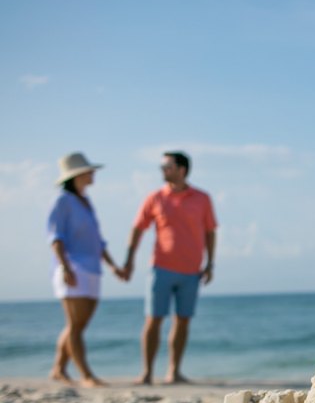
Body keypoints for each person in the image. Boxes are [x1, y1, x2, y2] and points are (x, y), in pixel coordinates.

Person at [122, 151, 217, 385]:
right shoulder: (155, 198)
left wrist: (210, 263)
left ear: (181, 169)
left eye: (167, 166)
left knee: (182, 320)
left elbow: (210, 231)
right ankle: (146, 373)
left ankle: (174, 371)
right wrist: (129, 259)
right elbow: (137, 228)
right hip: (160, 268)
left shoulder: (202, 198)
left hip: (191, 271)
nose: (162, 170)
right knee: (153, 320)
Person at [46, 152, 127, 387]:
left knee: (78, 325)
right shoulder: (63, 201)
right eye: (89, 171)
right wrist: (65, 267)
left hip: (92, 269)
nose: (92, 174)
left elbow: (98, 241)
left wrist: (113, 266)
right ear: (76, 176)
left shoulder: (86, 202)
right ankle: (86, 375)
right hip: (73, 267)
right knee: (74, 325)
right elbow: (55, 238)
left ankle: (58, 369)